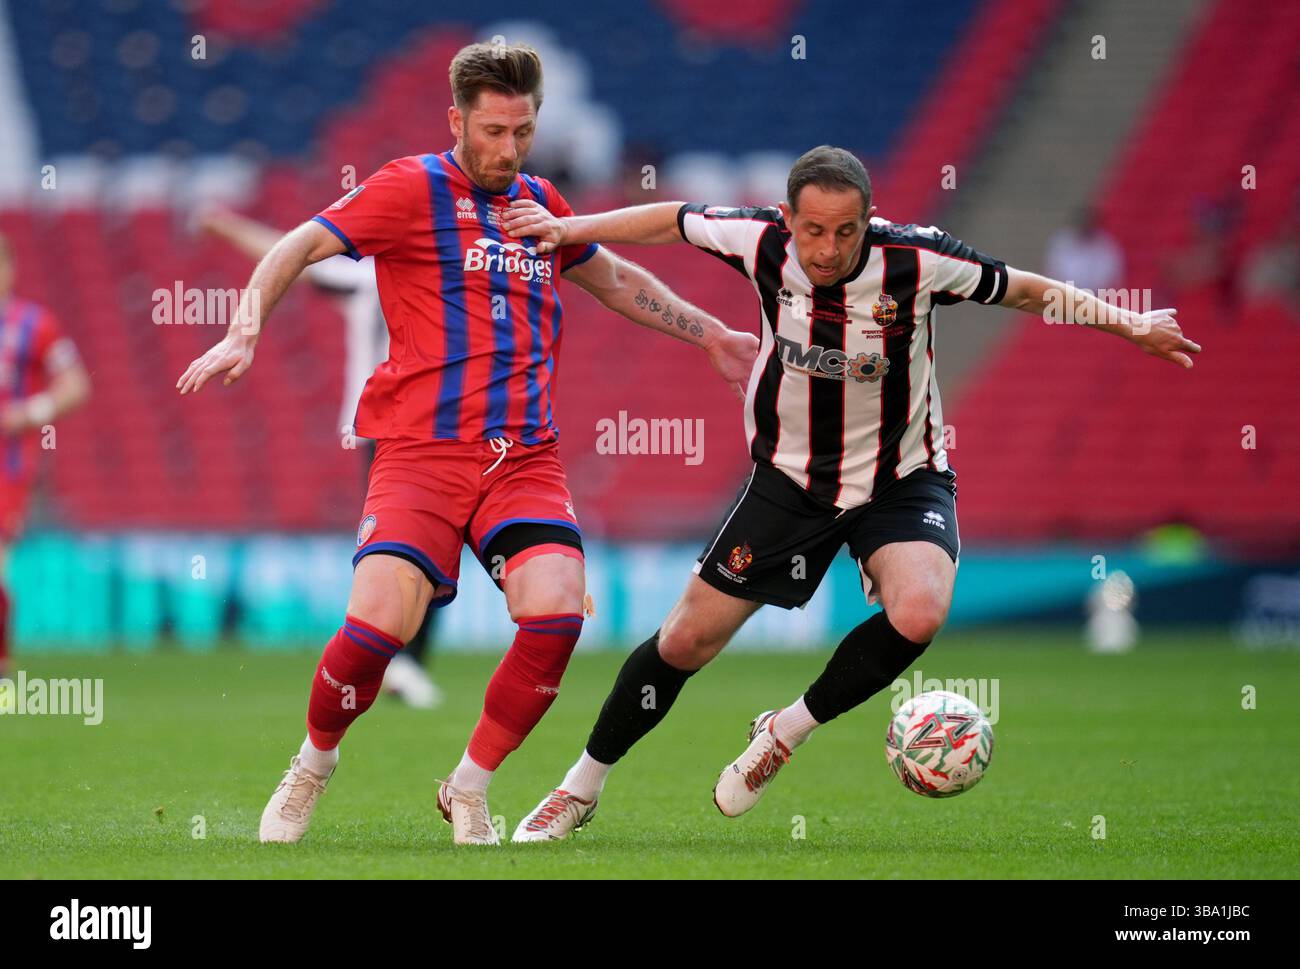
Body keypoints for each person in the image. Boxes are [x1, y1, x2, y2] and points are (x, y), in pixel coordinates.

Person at [502, 144, 1201, 840]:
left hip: (901, 477)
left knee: (921, 609)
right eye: (813, 230)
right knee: (684, 640)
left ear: (870, 220)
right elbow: (672, 219)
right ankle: (580, 787)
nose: (828, 248)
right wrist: (572, 229)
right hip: (790, 480)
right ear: (787, 218)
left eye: (845, 231)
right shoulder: (759, 240)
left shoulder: (917, 260)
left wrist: (1132, 324)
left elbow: (1026, 288)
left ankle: (783, 732)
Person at [176, 43, 757, 845]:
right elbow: (299, 245)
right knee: (378, 627)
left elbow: (613, 277)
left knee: (554, 612)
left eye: (522, 130)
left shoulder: (541, 202)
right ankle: (312, 765)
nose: (509, 148)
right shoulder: (409, 187)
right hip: (418, 451)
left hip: (523, 455)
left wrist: (713, 335)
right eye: (493, 130)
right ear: (457, 121)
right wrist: (245, 330)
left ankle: (469, 784)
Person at [198, 206, 441, 708]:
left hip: (412, 428)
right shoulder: (388, 275)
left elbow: (294, 256)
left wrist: (225, 225)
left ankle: (396, 661)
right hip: (394, 427)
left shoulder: (375, 275)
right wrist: (226, 225)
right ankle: (396, 661)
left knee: (421, 547)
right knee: (417, 547)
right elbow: (292, 254)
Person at [0, 231, 92, 686]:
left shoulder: (34, 324)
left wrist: (28, 413)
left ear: (9, 269)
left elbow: (75, 384)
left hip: (7, 466)